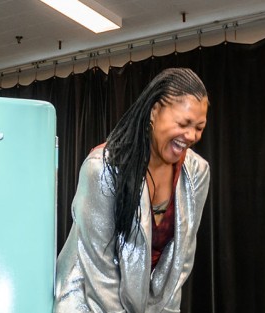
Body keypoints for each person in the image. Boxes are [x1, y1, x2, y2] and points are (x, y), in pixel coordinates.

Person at [54, 67, 210, 313]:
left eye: (199, 127)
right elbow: (99, 270)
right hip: (88, 296)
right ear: (154, 111)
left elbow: (180, 261)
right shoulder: (103, 167)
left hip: (142, 301)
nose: (191, 135)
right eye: (183, 123)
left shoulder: (197, 172)